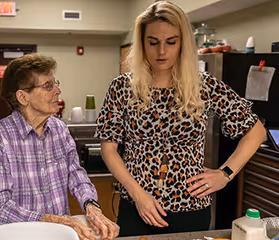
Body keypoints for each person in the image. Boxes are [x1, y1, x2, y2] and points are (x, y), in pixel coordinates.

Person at [94, 0, 266, 237]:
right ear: (142, 44)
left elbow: (256, 131)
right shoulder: (122, 87)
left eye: (171, 42)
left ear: (183, 43)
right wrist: (138, 194)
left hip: (191, 208)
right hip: (136, 206)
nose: (161, 51)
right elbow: (108, 149)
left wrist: (225, 174)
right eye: (153, 42)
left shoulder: (205, 86)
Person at [0, 53, 119, 240]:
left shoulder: (59, 128)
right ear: (23, 97)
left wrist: (91, 205)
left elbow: (76, 174)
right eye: (48, 86)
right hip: (21, 235)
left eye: (56, 83)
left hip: (60, 234)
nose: (57, 91)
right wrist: (53, 220)